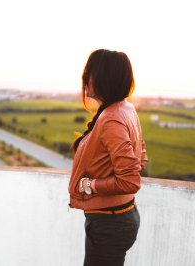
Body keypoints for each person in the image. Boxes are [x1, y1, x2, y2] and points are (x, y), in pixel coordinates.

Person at [68, 49, 148, 266]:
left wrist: (90, 185)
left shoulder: (111, 119)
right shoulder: (125, 109)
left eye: (89, 72)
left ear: (104, 77)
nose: (86, 78)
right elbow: (141, 157)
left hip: (109, 223)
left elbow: (130, 180)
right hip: (117, 217)